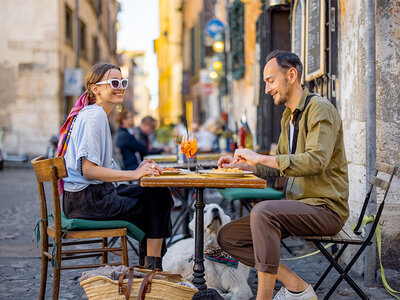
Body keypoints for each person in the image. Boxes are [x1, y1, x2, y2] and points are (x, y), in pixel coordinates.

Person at [217, 50, 349, 300]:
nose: (267, 89)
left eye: (271, 81)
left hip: (326, 209)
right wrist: (244, 166)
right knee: (229, 237)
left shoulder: (320, 109)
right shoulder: (288, 116)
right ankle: (296, 286)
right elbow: (276, 165)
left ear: (291, 75)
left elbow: (316, 161)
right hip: (297, 206)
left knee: (263, 212)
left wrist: (261, 157)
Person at [57, 63, 173, 270]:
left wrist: (139, 168)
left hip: (87, 196)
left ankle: (151, 266)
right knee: (158, 200)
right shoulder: (95, 116)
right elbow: (89, 170)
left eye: (122, 82)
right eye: (114, 82)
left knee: (157, 193)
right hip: (88, 201)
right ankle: (153, 269)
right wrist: (135, 174)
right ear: (95, 89)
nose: (120, 87)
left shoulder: (94, 113)